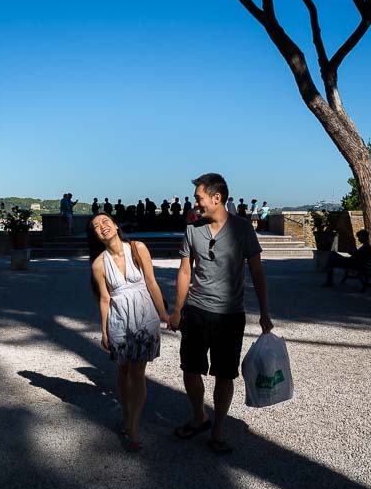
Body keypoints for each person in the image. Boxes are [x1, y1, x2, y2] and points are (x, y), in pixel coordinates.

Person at [168, 173, 273, 456]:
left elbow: (257, 271)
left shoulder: (242, 230)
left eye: (199, 197)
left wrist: (264, 311)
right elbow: (185, 271)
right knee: (190, 369)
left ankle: (218, 430)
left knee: (224, 375)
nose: (196, 203)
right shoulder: (192, 229)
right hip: (197, 311)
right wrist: (177, 310)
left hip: (230, 315)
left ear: (216, 198)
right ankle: (199, 416)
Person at [88, 214, 169, 453]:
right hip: (119, 318)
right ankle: (126, 414)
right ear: (95, 235)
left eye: (105, 222)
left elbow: (152, 282)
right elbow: (104, 298)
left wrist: (165, 315)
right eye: (96, 226)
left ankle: (132, 427)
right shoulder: (98, 264)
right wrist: (104, 330)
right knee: (123, 370)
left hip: (144, 315)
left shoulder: (137, 248)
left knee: (137, 372)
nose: (102, 227)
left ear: (115, 224)